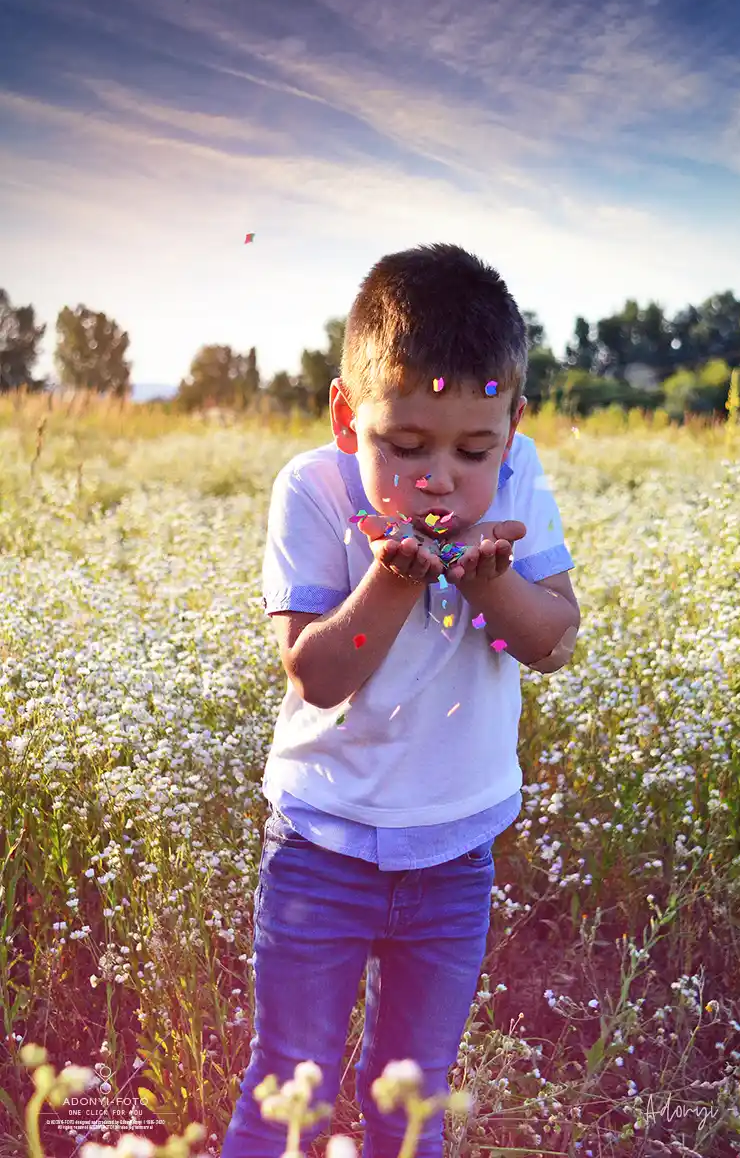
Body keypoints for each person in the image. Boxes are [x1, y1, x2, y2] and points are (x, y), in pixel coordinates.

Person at [220, 242, 581, 1158]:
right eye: (405, 445)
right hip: (321, 846)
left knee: (410, 1105)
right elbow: (319, 674)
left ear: (513, 427)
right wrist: (392, 579)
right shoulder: (311, 488)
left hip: (455, 849)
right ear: (347, 419)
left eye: (474, 451)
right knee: (285, 1088)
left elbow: (552, 641)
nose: (439, 479)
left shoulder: (521, 476)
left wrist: (490, 579)